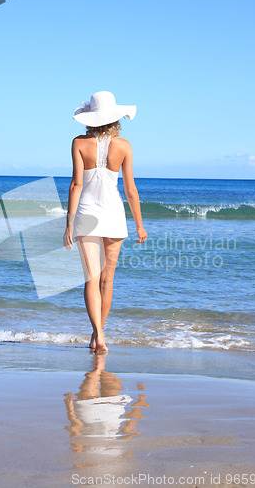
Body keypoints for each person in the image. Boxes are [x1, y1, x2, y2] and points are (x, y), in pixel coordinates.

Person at [63, 91, 147, 354]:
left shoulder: (78, 142)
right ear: (114, 117)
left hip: (86, 214)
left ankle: (97, 333)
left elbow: (77, 184)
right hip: (113, 214)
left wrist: (69, 222)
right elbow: (131, 190)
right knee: (106, 281)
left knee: (91, 278)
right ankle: (99, 333)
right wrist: (139, 225)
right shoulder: (124, 145)